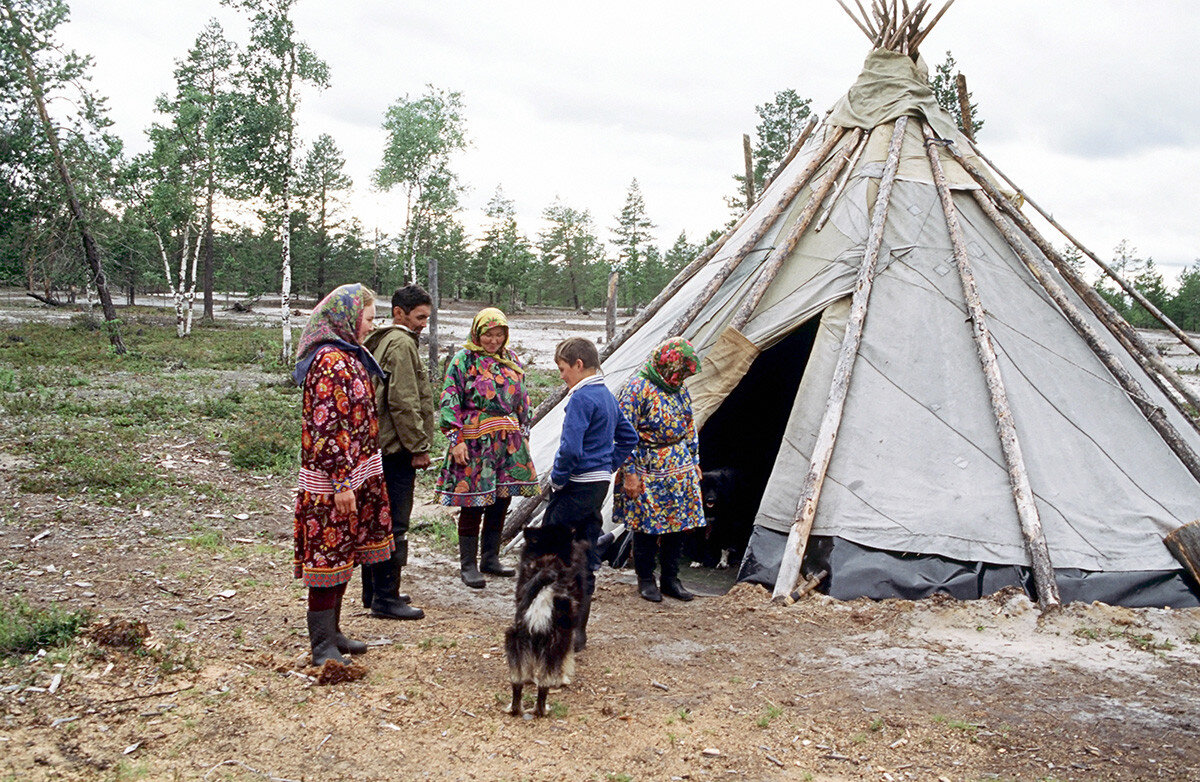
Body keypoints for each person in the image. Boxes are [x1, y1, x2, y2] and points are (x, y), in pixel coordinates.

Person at [293, 283, 392, 666]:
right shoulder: (330, 362)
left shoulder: (350, 355)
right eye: (368, 318)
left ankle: (333, 633)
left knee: (344, 554)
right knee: (328, 556)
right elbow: (327, 428)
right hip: (335, 483)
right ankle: (321, 645)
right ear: (348, 317)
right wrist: (341, 483)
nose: (370, 326)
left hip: (356, 475)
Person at [544, 337, 638, 651]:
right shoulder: (607, 396)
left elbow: (570, 448)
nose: (561, 376)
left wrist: (557, 479)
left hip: (577, 483)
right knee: (584, 550)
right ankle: (578, 633)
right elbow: (628, 436)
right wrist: (607, 465)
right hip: (598, 485)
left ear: (579, 365)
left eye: (563, 368)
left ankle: (558, 629)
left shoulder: (582, 397)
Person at [435, 307, 539, 588]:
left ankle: (490, 558)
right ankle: (468, 564)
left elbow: (522, 399)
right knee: (474, 501)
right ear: (477, 333)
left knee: (501, 499)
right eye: (487, 334)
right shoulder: (464, 360)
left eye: (498, 334)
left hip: (507, 441)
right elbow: (449, 398)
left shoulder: (511, 359)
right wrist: (455, 439)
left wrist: (524, 431)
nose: (493, 340)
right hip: (474, 442)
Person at [361, 284, 434, 621]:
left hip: (382, 446)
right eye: (419, 317)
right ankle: (386, 597)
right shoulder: (402, 343)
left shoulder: (386, 340)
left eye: (426, 318)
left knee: (379, 520)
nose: (423, 324)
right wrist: (418, 447)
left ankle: (374, 591)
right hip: (396, 449)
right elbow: (403, 401)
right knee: (395, 524)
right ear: (399, 314)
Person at [614, 337, 705, 603]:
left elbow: (689, 424)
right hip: (646, 465)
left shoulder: (678, 388)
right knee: (647, 525)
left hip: (678, 465)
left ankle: (670, 579)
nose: (679, 377)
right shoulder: (636, 389)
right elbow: (624, 433)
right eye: (677, 371)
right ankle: (645, 579)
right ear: (665, 364)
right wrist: (630, 471)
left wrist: (694, 459)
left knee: (678, 524)